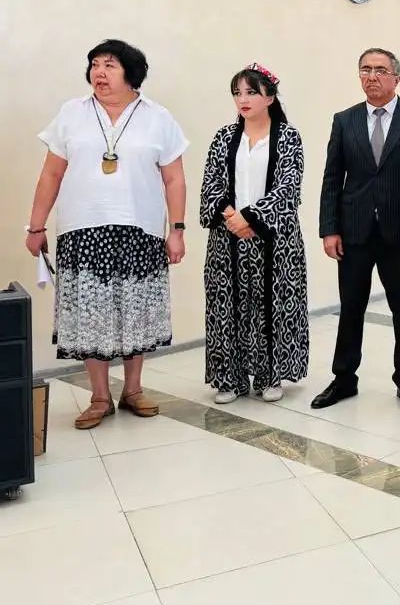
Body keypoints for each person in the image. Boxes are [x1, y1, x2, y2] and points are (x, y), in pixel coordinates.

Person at [25, 40, 188, 430]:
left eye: (109, 65)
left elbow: (174, 179)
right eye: (95, 65)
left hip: (140, 230)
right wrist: (36, 226)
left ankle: (133, 390)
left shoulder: (158, 117)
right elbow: (51, 174)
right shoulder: (72, 113)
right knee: (89, 314)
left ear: (131, 72)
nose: (99, 72)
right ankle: (99, 397)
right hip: (82, 230)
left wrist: (177, 230)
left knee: (136, 311)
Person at [312, 48, 400, 412]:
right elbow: (332, 178)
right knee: (351, 308)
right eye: (365, 69)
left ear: (396, 78)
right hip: (354, 232)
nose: (372, 76)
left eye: (380, 70)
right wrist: (329, 229)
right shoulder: (345, 120)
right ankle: (343, 379)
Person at [199, 64, 309, 405]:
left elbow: (288, 187)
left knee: (271, 306)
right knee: (226, 306)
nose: (242, 99)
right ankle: (229, 379)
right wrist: (231, 217)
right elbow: (211, 183)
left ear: (270, 97)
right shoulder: (224, 137)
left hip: (274, 241)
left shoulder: (288, 137)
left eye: (250, 92)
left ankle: (269, 376)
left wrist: (250, 219)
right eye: (237, 93)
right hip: (227, 236)